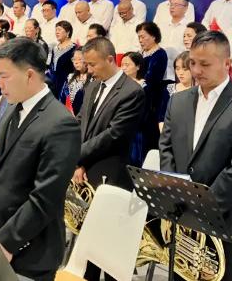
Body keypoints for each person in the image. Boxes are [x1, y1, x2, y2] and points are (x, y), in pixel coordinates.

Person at [159, 31, 232, 281]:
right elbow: (166, 148)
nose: (197, 70)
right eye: (192, 63)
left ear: (227, 64)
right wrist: (176, 193)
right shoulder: (178, 101)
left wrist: (200, 209)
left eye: (205, 64)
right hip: (183, 219)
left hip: (225, 219)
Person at [0, 37, 80, 281]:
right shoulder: (14, 107)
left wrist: (7, 242)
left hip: (29, 250)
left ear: (29, 75)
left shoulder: (60, 123)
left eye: (4, 76)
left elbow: (45, 196)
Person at [76, 37, 146, 281]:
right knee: (89, 240)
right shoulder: (93, 86)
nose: (90, 70)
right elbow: (81, 122)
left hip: (114, 170)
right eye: (87, 64)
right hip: (87, 167)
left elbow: (114, 134)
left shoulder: (132, 91)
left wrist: (77, 156)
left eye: (93, 64)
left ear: (110, 59)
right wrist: (78, 162)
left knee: (110, 244)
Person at [136, 21, 168, 154]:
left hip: (151, 100)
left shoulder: (160, 54)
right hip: (138, 97)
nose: (140, 40)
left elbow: (152, 80)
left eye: (143, 36)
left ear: (153, 36)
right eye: (139, 37)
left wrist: (138, 83)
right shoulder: (139, 54)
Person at [48, 21, 76, 98]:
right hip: (53, 84)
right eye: (56, 30)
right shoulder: (54, 48)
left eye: (59, 30)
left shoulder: (74, 49)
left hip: (66, 85)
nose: (57, 32)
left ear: (68, 32)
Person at [60, 48, 90, 116]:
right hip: (66, 115)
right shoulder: (70, 77)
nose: (76, 62)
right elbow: (62, 97)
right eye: (74, 59)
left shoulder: (92, 80)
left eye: (79, 59)